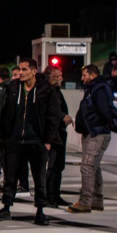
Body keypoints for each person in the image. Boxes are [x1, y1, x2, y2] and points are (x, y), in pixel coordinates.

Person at [0, 59, 60, 225]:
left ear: (34, 71)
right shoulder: (14, 88)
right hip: (15, 140)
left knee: (39, 178)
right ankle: (6, 207)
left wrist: (48, 140)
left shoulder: (46, 90)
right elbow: (5, 112)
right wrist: (0, 132)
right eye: (19, 70)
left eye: (24, 69)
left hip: (36, 141)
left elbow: (53, 116)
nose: (20, 73)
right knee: (10, 177)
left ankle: (40, 211)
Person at [69, 64, 116, 213]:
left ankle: (85, 202)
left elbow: (104, 111)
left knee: (87, 167)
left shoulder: (99, 89)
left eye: (84, 75)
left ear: (92, 75)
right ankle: (96, 200)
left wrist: (94, 126)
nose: (82, 78)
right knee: (94, 167)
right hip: (94, 132)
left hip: (96, 133)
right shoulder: (94, 88)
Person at [43, 65, 73, 208]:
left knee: (58, 166)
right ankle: (50, 196)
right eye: (57, 76)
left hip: (59, 133)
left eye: (60, 75)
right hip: (53, 134)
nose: (60, 78)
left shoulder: (55, 90)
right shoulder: (47, 91)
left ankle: (55, 194)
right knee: (53, 166)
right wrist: (62, 116)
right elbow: (49, 110)